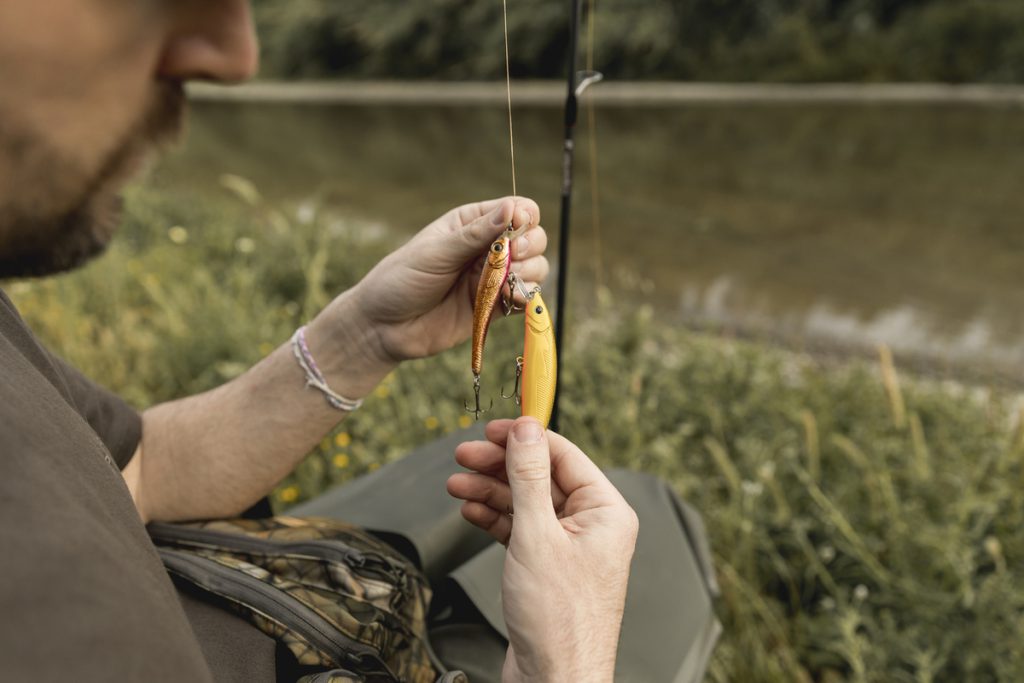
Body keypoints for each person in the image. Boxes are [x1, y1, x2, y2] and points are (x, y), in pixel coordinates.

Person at [0, 1, 719, 681]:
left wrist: (365, 335)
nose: (236, 54)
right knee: (646, 519)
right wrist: (568, 662)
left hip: (299, 601)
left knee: (598, 497)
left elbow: (140, 468)